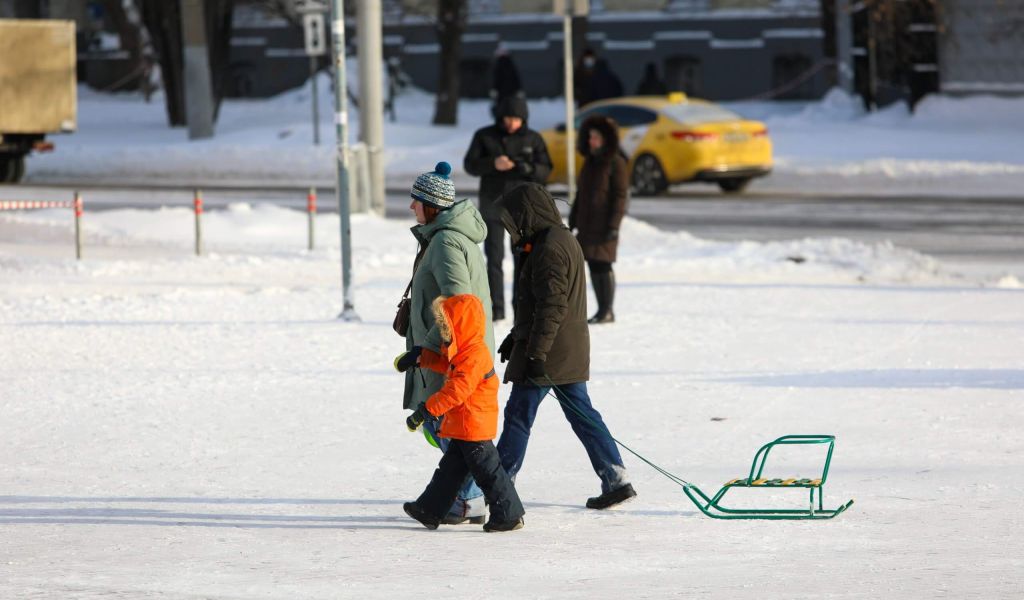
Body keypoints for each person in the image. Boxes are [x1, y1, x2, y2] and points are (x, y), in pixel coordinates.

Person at [493, 182, 637, 510]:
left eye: (514, 218)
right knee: (583, 415)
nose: (511, 228)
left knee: (518, 415)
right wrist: (516, 335)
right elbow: (544, 303)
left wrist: (535, 353)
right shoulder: (559, 239)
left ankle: (499, 484)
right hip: (566, 348)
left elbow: (552, 306)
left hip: (549, 352)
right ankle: (616, 478)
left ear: (528, 214)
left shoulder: (549, 248)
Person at [401, 161, 495, 525]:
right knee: (449, 424)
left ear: (432, 205)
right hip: (453, 347)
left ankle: (470, 498)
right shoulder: (447, 237)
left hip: (451, 352)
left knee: (445, 423)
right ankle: (471, 496)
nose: (411, 207)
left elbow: (459, 302)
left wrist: (429, 348)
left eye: (416, 201)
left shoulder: (445, 243)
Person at [398, 294, 526, 532]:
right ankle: (429, 509)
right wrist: (421, 357)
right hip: (465, 423)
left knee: (489, 473)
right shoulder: (465, 351)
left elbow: (456, 390)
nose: (444, 332)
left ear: (461, 325)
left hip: (473, 424)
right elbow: (449, 368)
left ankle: (509, 515)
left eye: (447, 326)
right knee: (450, 471)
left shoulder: (474, 355)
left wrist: (425, 412)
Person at [463, 97, 552, 323]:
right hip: (492, 204)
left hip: (522, 209)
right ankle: (496, 307)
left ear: (523, 119)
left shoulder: (533, 138)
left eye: (516, 119)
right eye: (507, 119)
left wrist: (527, 167)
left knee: (522, 258)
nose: (512, 123)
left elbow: (546, 169)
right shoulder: (485, 136)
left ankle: (520, 307)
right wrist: (493, 164)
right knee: (493, 258)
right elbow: (470, 165)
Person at [569, 115, 629, 324]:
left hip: (605, 225)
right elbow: (581, 193)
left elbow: (620, 196)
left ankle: (607, 309)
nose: (591, 142)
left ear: (606, 140)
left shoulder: (616, 163)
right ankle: (601, 309)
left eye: (596, 138)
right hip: (588, 224)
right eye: (590, 138)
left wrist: (614, 225)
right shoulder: (590, 162)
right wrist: (574, 219)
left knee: (604, 265)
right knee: (594, 265)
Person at [489, 44, 523, 118]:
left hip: (502, 92)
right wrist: (519, 89)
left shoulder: (499, 65)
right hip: (511, 92)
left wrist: (494, 89)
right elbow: (515, 78)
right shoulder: (511, 64)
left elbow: (497, 79)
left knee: (502, 107)